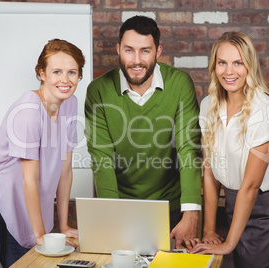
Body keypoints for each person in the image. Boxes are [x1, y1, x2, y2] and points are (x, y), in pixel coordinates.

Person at [0, 39, 85, 268]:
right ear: (41, 74)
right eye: (57, 71)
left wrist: (64, 227)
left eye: (72, 72)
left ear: (79, 75)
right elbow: (29, 179)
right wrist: (41, 235)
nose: (65, 79)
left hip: (17, 201)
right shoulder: (28, 110)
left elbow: (65, 171)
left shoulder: (70, 104)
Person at [84, 16, 202, 249]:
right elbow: (102, 159)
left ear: (158, 51)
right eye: (129, 50)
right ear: (118, 49)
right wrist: (112, 214)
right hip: (120, 207)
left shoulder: (179, 84)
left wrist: (191, 214)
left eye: (145, 51)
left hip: (172, 208)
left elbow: (189, 149)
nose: (136, 60)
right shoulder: (98, 90)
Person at [189, 31, 269, 267]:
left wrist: (228, 244)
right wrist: (209, 230)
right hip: (234, 206)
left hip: (267, 212)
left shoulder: (263, 110)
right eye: (222, 63)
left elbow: (251, 186)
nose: (229, 71)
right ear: (214, 66)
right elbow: (210, 172)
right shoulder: (208, 106)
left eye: (238, 63)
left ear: (249, 66)